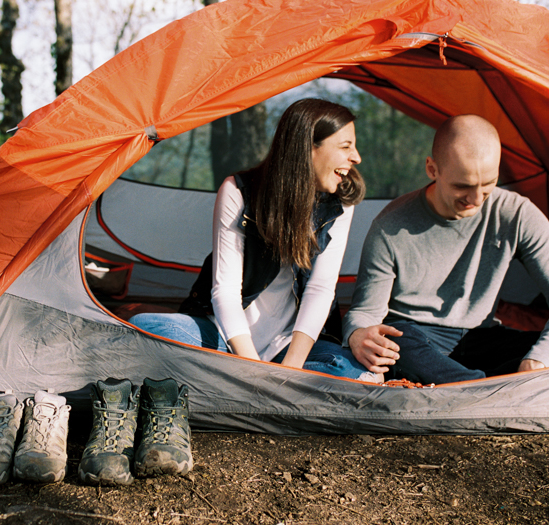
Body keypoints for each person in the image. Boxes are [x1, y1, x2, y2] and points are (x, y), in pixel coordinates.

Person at [131, 98, 378, 381]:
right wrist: (252, 368)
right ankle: (260, 382)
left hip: (291, 345)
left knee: (359, 370)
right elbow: (225, 291)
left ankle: (229, 380)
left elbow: (320, 289)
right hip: (229, 340)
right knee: (147, 328)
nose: (356, 157)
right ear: (307, 148)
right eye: (346, 147)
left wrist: (292, 368)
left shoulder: (340, 200)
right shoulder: (238, 192)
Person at [343, 114, 549, 384]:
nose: (475, 200)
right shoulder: (390, 225)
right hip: (417, 340)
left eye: (487, 185)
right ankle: (493, 388)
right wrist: (357, 333)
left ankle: (469, 388)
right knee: (394, 345)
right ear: (432, 169)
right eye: (462, 186)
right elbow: (366, 312)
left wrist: (539, 357)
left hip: (482, 337)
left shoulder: (517, 213)